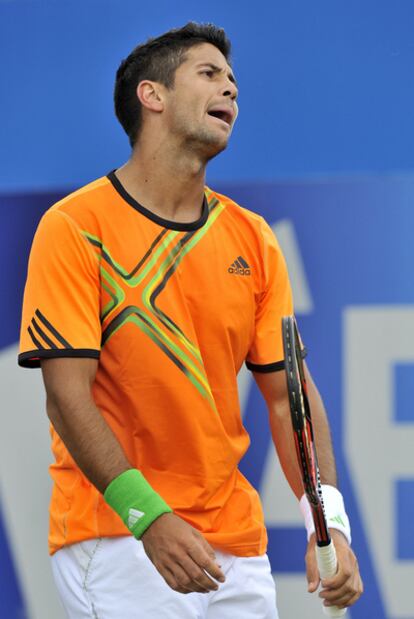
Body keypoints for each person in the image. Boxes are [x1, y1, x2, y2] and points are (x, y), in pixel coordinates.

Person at [19, 22, 362, 619]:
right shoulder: (74, 227)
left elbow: (289, 399)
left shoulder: (252, 238)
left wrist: (328, 524)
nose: (230, 88)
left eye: (232, 80)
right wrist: (147, 518)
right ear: (151, 96)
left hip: (236, 546)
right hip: (121, 537)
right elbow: (66, 396)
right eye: (209, 74)